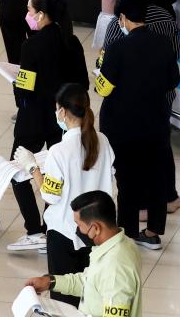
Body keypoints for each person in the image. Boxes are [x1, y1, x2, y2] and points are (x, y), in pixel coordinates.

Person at [14, 85, 116, 309]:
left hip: (64, 234)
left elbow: (50, 195)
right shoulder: (103, 142)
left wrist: (33, 168)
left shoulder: (59, 151)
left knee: (63, 302)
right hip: (96, 233)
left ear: (62, 112)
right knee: (90, 297)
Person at [6, 0, 88, 255]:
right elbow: (83, 84)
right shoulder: (72, 42)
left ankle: (33, 230)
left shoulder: (32, 46)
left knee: (18, 171)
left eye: (30, 11)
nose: (27, 16)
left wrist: (17, 84)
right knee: (56, 174)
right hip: (61, 122)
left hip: (33, 120)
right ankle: (49, 223)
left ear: (41, 15)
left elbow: (25, 90)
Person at [96, 0, 179, 249]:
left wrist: (100, 68)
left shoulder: (118, 48)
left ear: (122, 18)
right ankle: (153, 232)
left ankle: (129, 231)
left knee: (128, 179)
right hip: (156, 122)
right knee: (155, 177)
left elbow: (103, 89)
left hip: (123, 126)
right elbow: (172, 80)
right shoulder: (163, 43)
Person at [22, 190, 142, 317]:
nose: (77, 230)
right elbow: (90, 281)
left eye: (79, 225)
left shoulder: (115, 269)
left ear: (95, 228)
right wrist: (50, 282)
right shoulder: (119, 244)